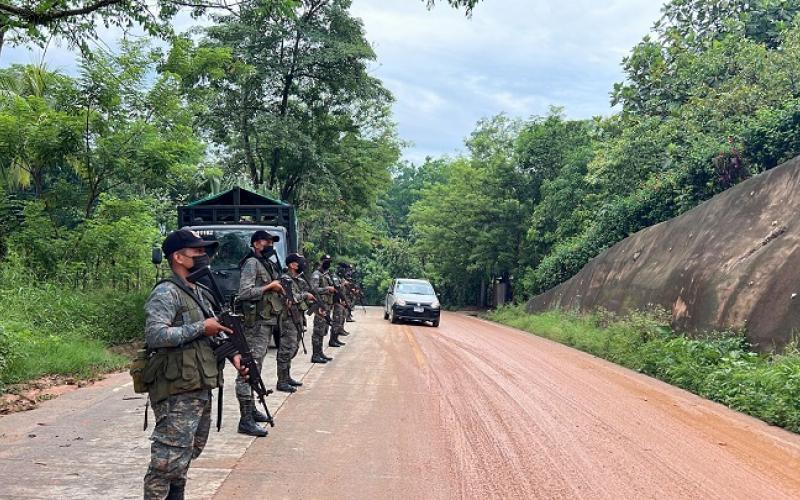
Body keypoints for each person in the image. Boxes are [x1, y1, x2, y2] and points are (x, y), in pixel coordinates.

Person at [142, 229, 249, 500]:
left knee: (190, 450)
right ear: (178, 256)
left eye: (204, 251)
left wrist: (233, 354)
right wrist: (201, 327)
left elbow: (217, 330)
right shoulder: (167, 292)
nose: (204, 256)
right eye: (197, 251)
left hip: (199, 382)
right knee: (166, 460)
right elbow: (155, 335)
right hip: (176, 387)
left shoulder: (199, 289)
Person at [234, 230, 284, 437]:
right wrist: (269, 287)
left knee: (257, 368)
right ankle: (245, 419)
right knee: (248, 369)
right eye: (266, 241)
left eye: (272, 241)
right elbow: (244, 293)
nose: (270, 244)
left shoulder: (266, 263)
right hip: (254, 325)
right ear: (256, 243)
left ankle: (252, 410)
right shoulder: (252, 263)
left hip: (265, 323)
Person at [277, 253, 316, 392]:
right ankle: (281, 381)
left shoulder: (298, 280)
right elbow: (291, 298)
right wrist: (305, 295)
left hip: (297, 317)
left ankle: (286, 377)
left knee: (293, 348)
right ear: (292, 265)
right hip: (287, 318)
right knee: (286, 350)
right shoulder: (285, 279)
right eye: (300, 263)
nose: (303, 265)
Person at [310, 255, 336, 363]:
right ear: (320, 261)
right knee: (318, 331)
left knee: (323, 330)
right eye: (325, 261)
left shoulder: (326, 274)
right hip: (319, 306)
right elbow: (313, 289)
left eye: (329, 261)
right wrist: (327, 289)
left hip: (327, 305)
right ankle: (315, 355)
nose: (327, 263)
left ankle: (320, 353)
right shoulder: (316, 274)